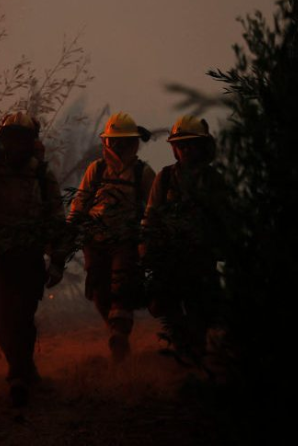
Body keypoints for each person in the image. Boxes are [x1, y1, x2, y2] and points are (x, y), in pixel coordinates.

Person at [0, 111, 67, 407]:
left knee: (22, 318)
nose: (16, 146)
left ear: (32, 143)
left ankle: (20, 374)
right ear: (1, 140)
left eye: (22, 140)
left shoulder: (42, 176)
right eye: (10, 139)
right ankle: (21, 370)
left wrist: (57, 261)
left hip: (28, 256)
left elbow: (57, 220)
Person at [141, 115, 228, 363]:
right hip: (169, 257)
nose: (186, 149)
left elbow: (224, 216)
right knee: (168, 306)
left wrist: (224, 247)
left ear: (202, 147)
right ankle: (183, 350)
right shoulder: (165, 178)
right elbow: (151, 216)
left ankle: (196, 356)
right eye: (181, 145)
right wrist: (145, 248)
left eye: (191, 144)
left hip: (201, 257)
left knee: (200, 309)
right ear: (174, 149)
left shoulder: (213, 180)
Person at [69, 112, 155, 362]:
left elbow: (154, 208)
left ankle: (120, 333)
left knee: (122, 284)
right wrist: (70, 228)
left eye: (122, 141)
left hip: (126, 241)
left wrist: (148, 240)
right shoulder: (96, 170)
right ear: (106, 141)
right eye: (113, 140)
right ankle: (116, 332)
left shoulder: (142, 172)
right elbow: (80, 202)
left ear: (132, 142)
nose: (117, 146)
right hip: (94, 242)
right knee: (99, 290)